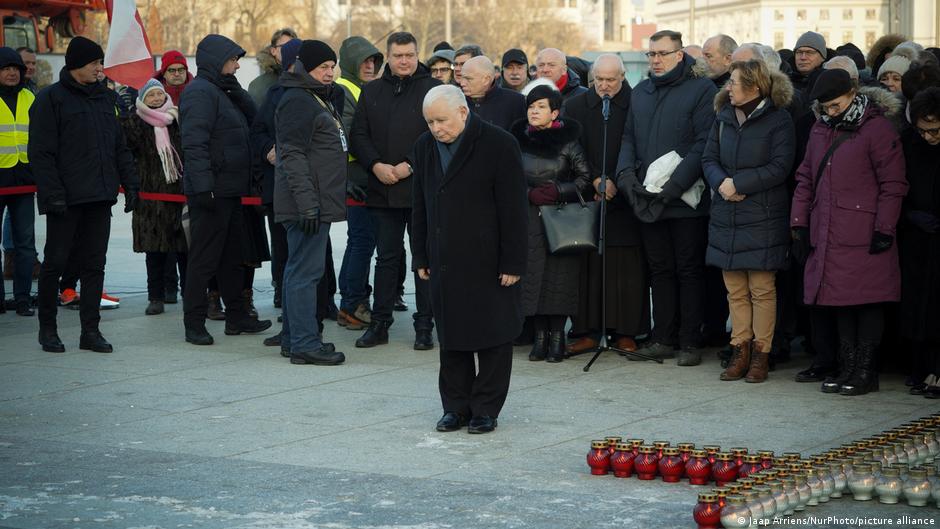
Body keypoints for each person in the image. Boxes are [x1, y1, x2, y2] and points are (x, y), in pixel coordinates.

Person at [412, 85, 527, 434]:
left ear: (463, 112)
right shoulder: (423, 148)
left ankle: (486, 408)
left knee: (493, 335)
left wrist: (513, 261)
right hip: (444, 256)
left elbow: (513, 208)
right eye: (430, 122)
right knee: (452, 335)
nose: (436, 129)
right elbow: (419, 206)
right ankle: (455, 407)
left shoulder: (499, 143)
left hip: (488, 257)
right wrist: (421, 253)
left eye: (441, 120)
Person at [790, 69, 908, 396]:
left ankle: (866, 371)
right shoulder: (820, 129)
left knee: (867, 303)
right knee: (840, 302)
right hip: (828, 230)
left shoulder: (877, 129)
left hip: (865, 230)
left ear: (854, 92)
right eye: (826, 107)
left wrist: (884, 227)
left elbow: (893, 184)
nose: (831, 112)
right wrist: (798, 224)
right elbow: (805, 179)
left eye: (836, 105)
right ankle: (847, 367)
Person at [30, 36, 140, 352]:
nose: (99, 69)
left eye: (100, 63)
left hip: (100, 197)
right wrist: (53, 196)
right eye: (94, 63)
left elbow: (119, 147)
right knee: (55, 264)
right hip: (65, 200)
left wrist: (130, 184)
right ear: (77, 65)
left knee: (95, 265)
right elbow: (41, 153)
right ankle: (47, 330)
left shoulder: (105, 101)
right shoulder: (51, 99)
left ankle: (90, 332)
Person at [615, 29, 717, 366]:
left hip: (685, 199)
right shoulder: (642, 91)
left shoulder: (701, 89)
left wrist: (674, 187)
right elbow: (628, 137)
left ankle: (690, 341)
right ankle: (663, 338)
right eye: (651, 54)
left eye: (662, 54)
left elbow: (704, 143)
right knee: (660, 270)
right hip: (647, 197)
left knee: (688, 270)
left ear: (679, 55)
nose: (655, 60)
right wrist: (626, 176)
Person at [702, 59, 796, 383]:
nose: (728, 87)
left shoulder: (778, 120)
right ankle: (738, 349)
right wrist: (721, 184)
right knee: (735, 290)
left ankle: (761, 354)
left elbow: (780, 166)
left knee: (761, 288)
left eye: (734, 82)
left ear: (754, 87)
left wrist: (738, 184)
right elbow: (708, 157)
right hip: (727, 213)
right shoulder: (723, 117)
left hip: (762, 216)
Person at [349, 31, 441, 350]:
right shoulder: (372, 90)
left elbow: (438, 132)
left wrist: (408, 166)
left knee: (423, 259)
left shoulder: (433, 89)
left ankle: (425, 325)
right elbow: (358, 133)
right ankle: (380, 324)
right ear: (388, 56)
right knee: (386, 258)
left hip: (420, 189)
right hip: (382, 189)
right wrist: (376, 165)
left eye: (410, 55)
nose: (404, 60)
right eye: (398, 55)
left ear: (418, 55)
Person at [180, 34, 272, 345]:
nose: (236, 65)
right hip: (211, 192)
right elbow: (194, 143)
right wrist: (203, 187)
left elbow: (253, 123)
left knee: (232, 257)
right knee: (204, 259)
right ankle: (193, 323)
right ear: (218, 61)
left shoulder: (224, 91)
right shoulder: (199, 93)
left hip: (231, 190)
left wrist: (239, 93)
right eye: (232, 60)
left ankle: (237, 317)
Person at [563, 54, 647, 355]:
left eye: (611, 80)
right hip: (591, 194)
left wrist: (615, 179)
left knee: (626, 268)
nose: (605, 86)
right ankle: (588, 330)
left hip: (625, 195)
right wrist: (595, 180)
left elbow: (641, 146)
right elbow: (572, 149)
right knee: (590, 265)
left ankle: (626, 331)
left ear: (623, 77)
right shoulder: (575, 106)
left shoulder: (637, 102)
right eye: (599, 80)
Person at [274, 39, 348, 366]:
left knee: (300, 271)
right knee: (305, 273)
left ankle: (295, 339)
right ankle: (304, 342)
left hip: (313, 200)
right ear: (305, 68)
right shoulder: (298, 101)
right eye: (323, 68)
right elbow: (292, 155)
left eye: (332, 67)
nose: (329, 73)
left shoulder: (314, 97)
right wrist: (307, 204)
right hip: (306, 203)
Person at [512, 85, 591, 363]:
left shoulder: (569, 142)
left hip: (560, 218)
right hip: (528, 216)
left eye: (541, 106)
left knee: (559, 278)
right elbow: (506, 178)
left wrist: (558, 190)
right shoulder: (516, 139)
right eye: (531, 106)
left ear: (555, 112)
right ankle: (540, 336)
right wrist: (527, 194)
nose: (534, 111)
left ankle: (557, 337)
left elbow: (584, 179)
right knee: (533, 276)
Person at [121, 80, 187, 317]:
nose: (157, 98)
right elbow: (127, 147)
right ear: (142, 99)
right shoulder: (136, 121)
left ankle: (189, 294)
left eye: (160, 94)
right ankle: (155, 297)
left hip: (178, 194)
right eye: (151, 96)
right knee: (154, 251)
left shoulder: (176, 119)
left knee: (184, 249)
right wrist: (130, 116)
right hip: (150, 197)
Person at [250, 38, 302, 320]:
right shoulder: (273, 92)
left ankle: (322, 300)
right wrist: (268, 150)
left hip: (309, 187)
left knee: (313, 248)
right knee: (281, 243)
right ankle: (284, 296)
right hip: (279, 183)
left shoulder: (327, 93)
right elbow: (257, 130)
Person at [335, 35, 383, 330]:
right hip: (358, 176)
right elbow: (349, 137)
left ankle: (351, 302)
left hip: (364, 175)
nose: (370, 65)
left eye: (374, 60)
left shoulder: (364, 88)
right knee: (362, 241)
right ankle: (353, 303)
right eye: (364, 60)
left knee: (361, 241)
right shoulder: (345, 90)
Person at [898, 88, 940, 397]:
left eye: (935, 130)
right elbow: (897, 185)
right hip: (916, 237)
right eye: (923, 131)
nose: (928, 137)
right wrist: (910, 215)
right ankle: (921, 367)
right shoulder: (909, 143)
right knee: (917, 305)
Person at [0, 47, 36, 316]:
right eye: (6, 68)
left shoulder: (30, 97)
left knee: (25, 244)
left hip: (24, 181)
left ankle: (23, 299)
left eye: (16, 68)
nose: (12, 73)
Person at [459, 56, 525, 131]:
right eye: (462, 77)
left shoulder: (515, 101)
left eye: (468, 78)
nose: (462, 83)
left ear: (486, 80)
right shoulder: (455, 100)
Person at [247, 28, 298, 106]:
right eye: (285, 46)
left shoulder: (305, 77)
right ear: (273, 51)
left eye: (294, 47)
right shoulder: (259, 85)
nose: (290, 50)